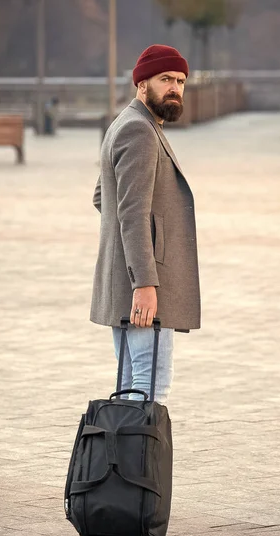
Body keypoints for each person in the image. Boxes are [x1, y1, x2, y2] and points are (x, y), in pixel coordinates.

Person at [90, 44, 201, 404]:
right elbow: (130, 212)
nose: (174, 87)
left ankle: (121, 463)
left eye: (180, 80)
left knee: (131, 382)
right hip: (144, 288)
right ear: (142, 85)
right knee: (151, 384)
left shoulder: (128, 123)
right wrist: (145, 281)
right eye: (165, 79)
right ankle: (137, 462)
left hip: (129, 283)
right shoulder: (139, 130)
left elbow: (103, 199)